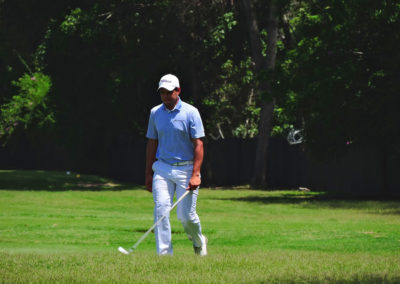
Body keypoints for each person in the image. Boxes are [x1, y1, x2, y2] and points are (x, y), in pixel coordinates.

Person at [145, 74, 207, 256]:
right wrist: (148, 173)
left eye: (168, 92)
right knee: (161, 209)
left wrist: (196, 174)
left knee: (185, 216)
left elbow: (199, 144)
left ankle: (198, 240)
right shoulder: (155, 113)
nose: (165, 96)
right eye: (162, 92)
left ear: (178, 91)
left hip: (186, 169)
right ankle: (165, 256)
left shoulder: (191, 112)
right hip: (162, 168)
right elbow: (152, 143)